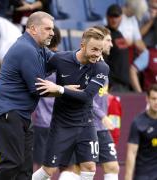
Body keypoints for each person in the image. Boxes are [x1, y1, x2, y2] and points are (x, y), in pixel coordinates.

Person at [32, 27, 109, 180]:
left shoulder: (101, 67)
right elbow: (36, 74)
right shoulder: (60, 59)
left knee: (90, 167)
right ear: (82, 45)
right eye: (94, 49)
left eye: (100, 50)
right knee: (48, 170)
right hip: (61, 124)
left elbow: (87, 96)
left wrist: (60, 89)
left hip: (85, 124)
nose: (97, 54)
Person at [0, 11, 54, 180]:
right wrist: (64, 90)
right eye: (47, 29)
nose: (52, 33)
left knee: (25, 169)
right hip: (8, 112)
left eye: (52, 29)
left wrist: (79, 58)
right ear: (33, 29)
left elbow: (57, 60)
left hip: (21, 114)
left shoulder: (39, 49)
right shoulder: (26, 49)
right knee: (12, 163)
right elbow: (38, 88)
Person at [58, 26, 120, 180]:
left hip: (100, 126)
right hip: (86, 122)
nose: (111, 44)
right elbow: (85, 96)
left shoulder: (103, 67)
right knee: (80, 168)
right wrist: (102, 115)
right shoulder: (87, 65)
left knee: (112, 166)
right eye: (108, 40)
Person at [32, 25, 61, 169]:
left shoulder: (37, 61)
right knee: (68, 168)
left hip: (42, 124)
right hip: (60, 123)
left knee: (42, 167)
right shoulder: (65, 62)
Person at [124, 83, 157, 180]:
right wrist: (128, 177)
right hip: (143, 175)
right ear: (147, 99)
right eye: (153, 98)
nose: (156, 102)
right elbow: (131, 153)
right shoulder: (138, 122)